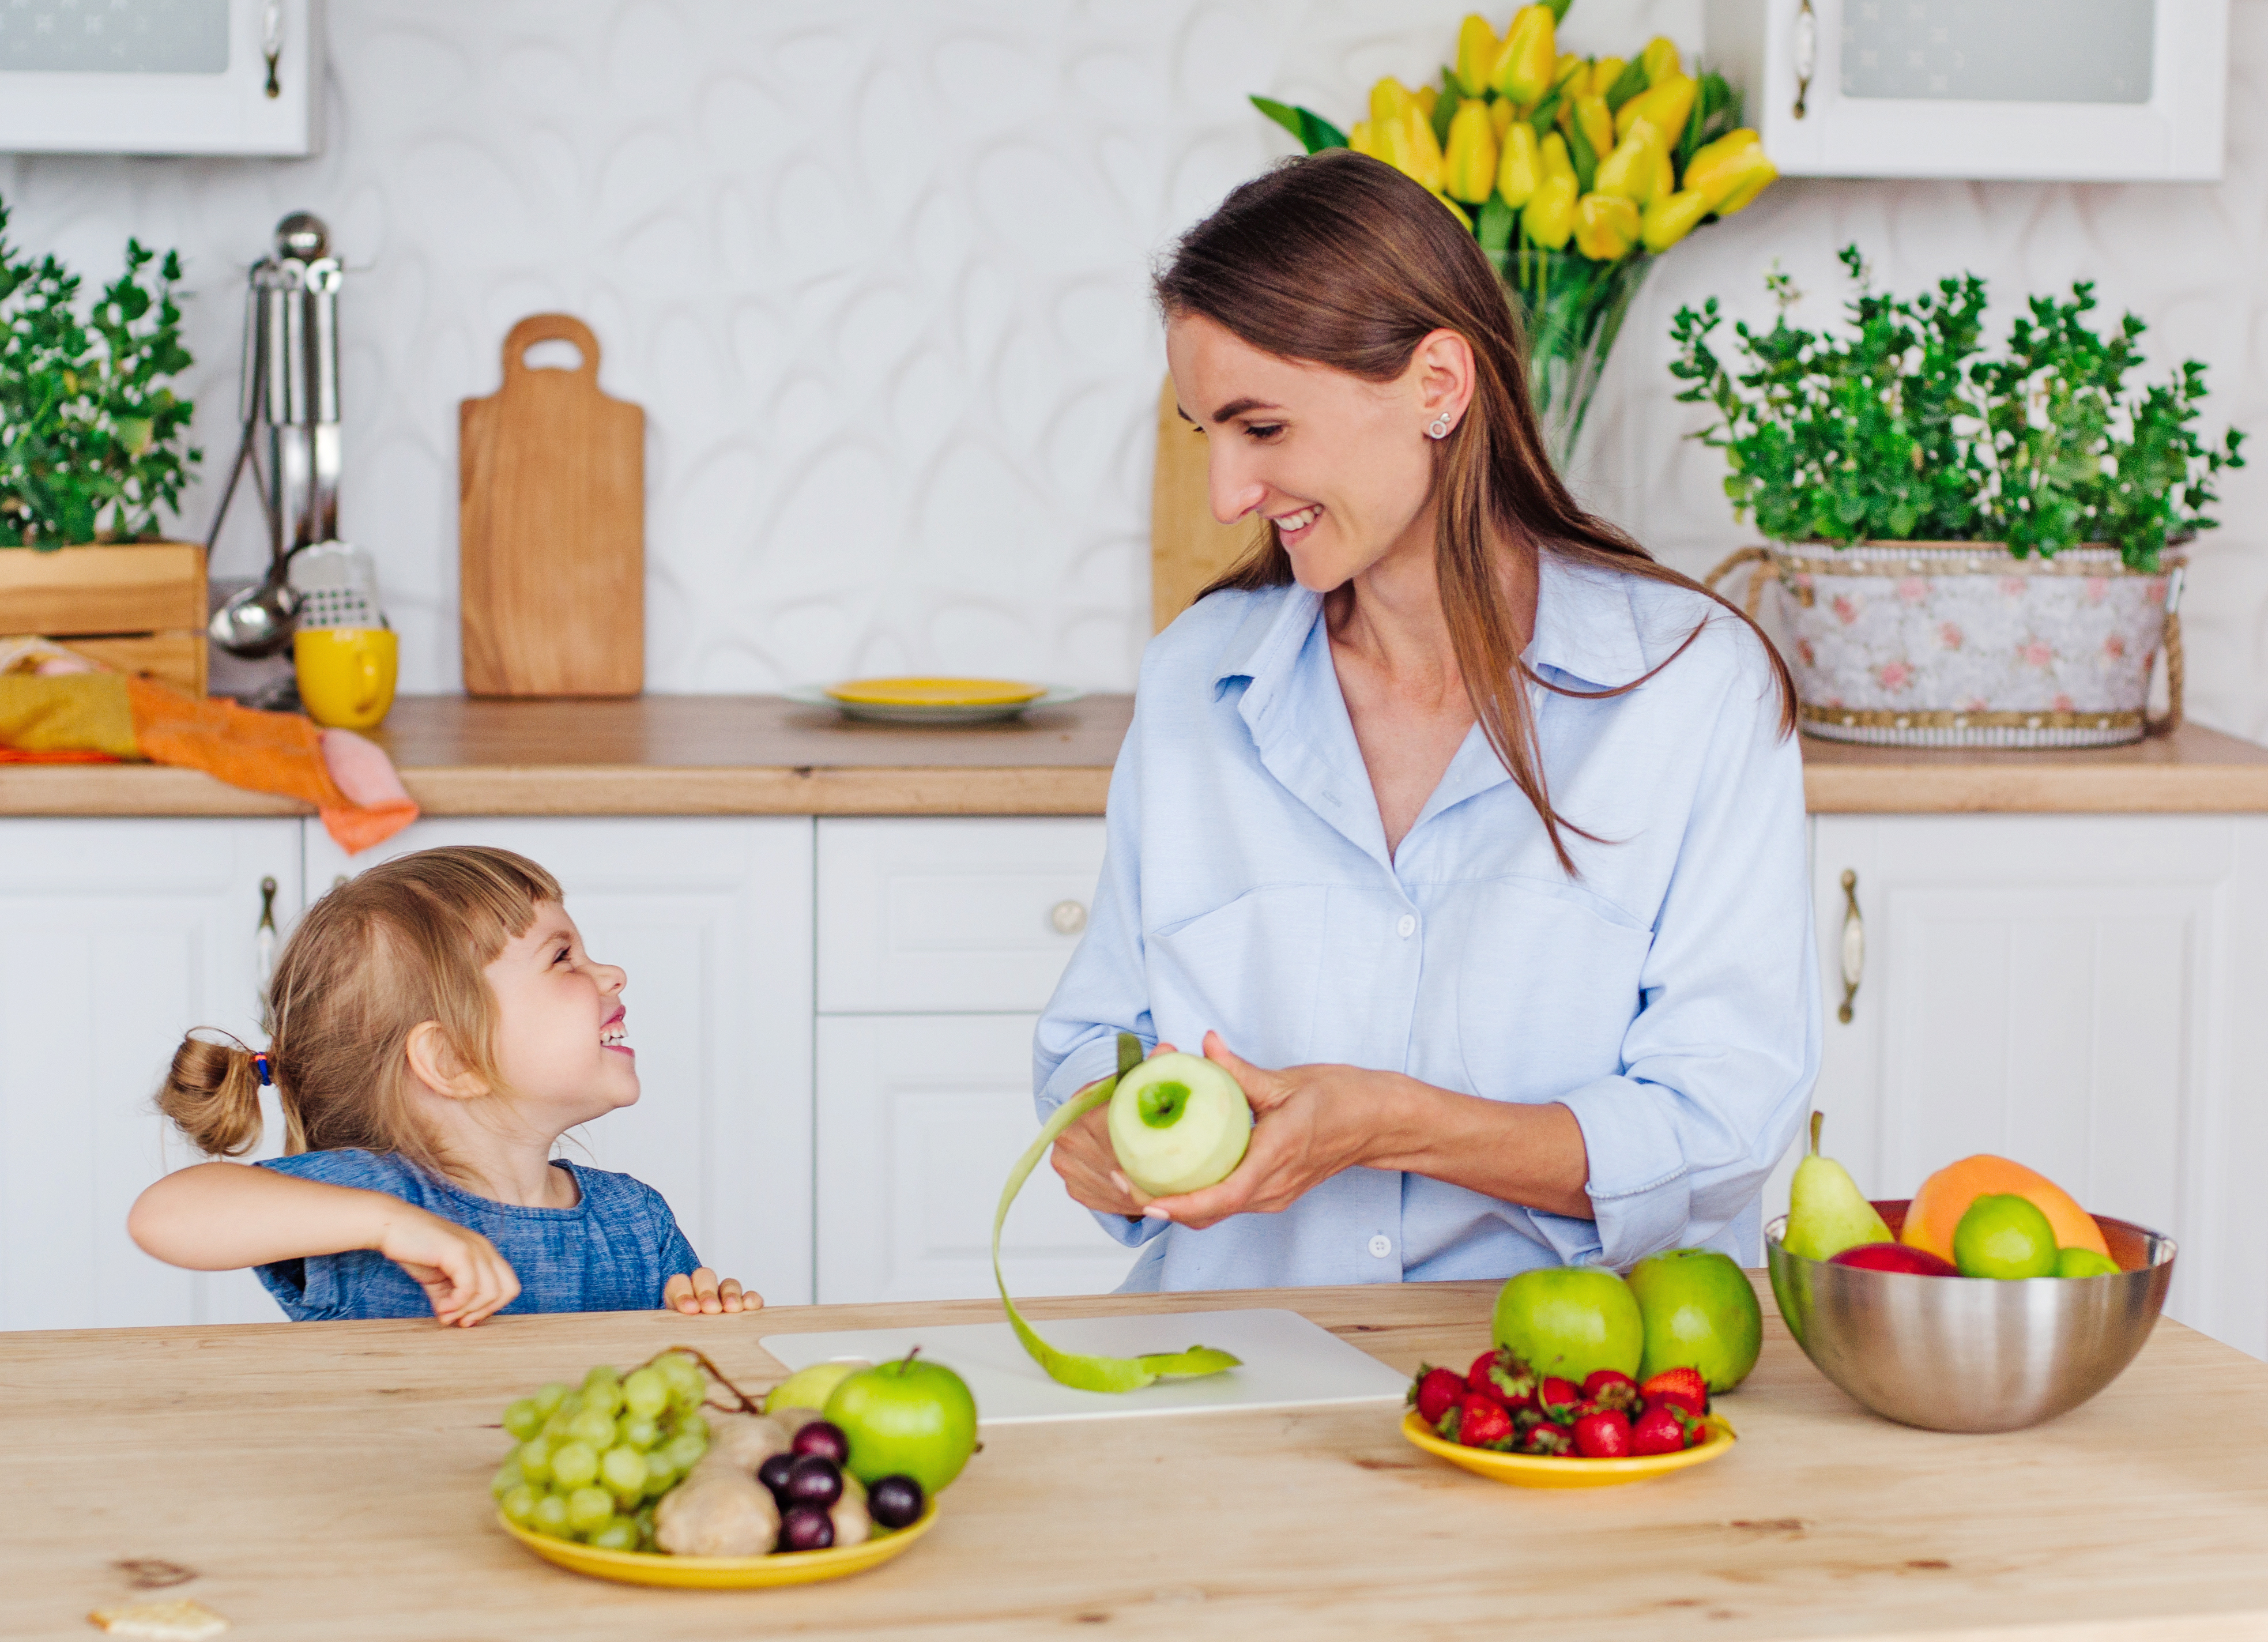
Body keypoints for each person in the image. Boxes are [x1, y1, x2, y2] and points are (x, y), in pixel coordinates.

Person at [1034, 149, 1819, 1293]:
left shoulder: (1692, 686)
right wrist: (1099, 1127)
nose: (1225, 496)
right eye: (1207, 431)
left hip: (1562, 1391)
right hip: (1233, 1373)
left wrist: (1388, 1122)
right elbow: (1090, 1042)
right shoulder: (1194, 681)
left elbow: (1722, 1119)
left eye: (1262, 428)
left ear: (1437, 386)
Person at [129, 845, 755, 1325]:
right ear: (454, 1057)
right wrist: (388, 1225)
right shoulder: (376, 1198)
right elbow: (164, 1215)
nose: (613, 973)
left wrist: (704, 1320)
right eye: (563, 958)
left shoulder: (635, 1221)